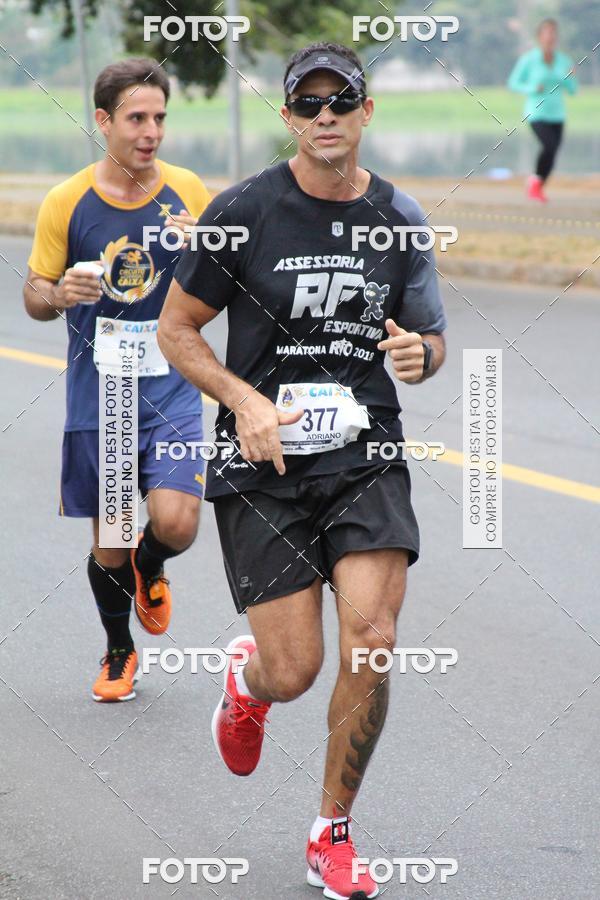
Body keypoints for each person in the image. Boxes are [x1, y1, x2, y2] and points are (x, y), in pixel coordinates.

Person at [159, 42, 447, 900]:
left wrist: (418, 355)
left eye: (341, 100)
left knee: (375, 639)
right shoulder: (241, 211)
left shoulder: (399, 219)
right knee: (294, 671)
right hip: (266, 461)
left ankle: (332, 832)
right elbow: (177, 331)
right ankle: (248, 684)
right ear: (288, 116)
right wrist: (244, 400)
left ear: (366, 111)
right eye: (309, 103)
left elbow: (430, 340)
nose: (326, 116)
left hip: (365, 456)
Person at [23, 58, 211, 702]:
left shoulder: (188, 190)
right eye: (136, 117)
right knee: (108, 536)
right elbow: (33, 294)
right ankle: (117, 650)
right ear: (104, 121)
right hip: (101, 392)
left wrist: (203, 252)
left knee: (178, 521)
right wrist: (59, 293)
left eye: (159, 117)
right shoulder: (67, 200)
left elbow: (227, 288)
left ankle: (150, 563)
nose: (151, 130)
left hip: (172, 388)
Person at [508, 18, 578, 202]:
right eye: (547, 32)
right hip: (536, 113)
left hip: (557, 114)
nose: (551, 36)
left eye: (554, 32)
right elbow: (513, 83)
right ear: (540, 36)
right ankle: (535, 184)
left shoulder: (563, 60)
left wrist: (570, 77)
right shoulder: (529, 59)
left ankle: (536, 185)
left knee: (553, 152)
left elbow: (572, 90)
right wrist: (532, 87)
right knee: (549, 146)